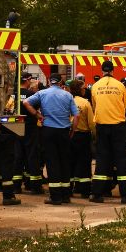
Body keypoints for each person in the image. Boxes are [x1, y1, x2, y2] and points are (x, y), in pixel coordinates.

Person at [25, 73, 79, 204]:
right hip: (64, 131)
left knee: (52, 162)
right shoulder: (68, 95)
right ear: (61, 82)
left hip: (48, 131)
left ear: (49, 81)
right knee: (64, 161)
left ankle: (55, 197)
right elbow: (76, 116)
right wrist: (73, 130)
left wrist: (37, 115)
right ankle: (66, 195)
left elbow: (26, 102)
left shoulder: (42, 93)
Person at [89, 61, 126, 204]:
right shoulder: (120, 86)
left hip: (102, 126)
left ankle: (97, 194)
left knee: (102, 159)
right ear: (113, 71)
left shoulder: (95, 86)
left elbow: (95, 106)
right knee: (121, 159)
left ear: (102, 71)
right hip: (118, 127)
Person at [67, 78, 95, 198]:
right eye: (84, 88)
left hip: (69, 135)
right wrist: (95, 136)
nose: (85, 90)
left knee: (70, 162)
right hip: (83, 136)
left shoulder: (67, 101)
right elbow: (91, 124)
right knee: (83, 163)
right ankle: (84, 190)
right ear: (79, 89)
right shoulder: (85, 103)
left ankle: (68, 188)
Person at [19, 74, 45, 194]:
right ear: (27, 80)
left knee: (18, 155)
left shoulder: (13, 94)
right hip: (30, 127)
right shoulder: (31, 95)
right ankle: (34, 186)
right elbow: (39, 109)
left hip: (15, 128)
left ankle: (16, 185)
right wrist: (38, 115)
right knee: (33, 156)